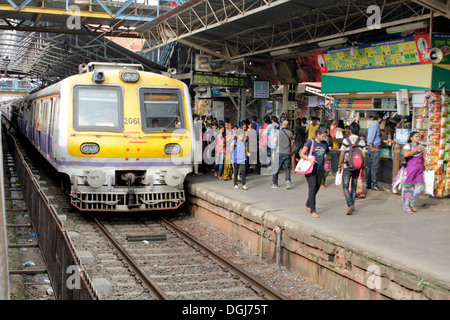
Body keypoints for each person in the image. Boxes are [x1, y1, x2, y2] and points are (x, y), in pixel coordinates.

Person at [299, 127, 330, 218]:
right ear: (318, 134)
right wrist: (309, 159)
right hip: (310, 168)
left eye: (325, 136)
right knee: (312, 187)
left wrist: (325, 163)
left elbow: (328, 153)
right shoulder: (310, 142)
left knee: (316, 187)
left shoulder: (325, 144)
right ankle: (313, 210)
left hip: (320, 168)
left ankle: (308, 204)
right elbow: (301, 153)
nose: (324, 138)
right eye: (323, 136)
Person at [338, 122, 366, 215]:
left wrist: (339, 165)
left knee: (345, 186)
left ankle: (350, 204)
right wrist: (364, 169)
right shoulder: (362, 142)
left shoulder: (346, 141)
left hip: (347, 166)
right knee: (354, 186)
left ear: (350, 131)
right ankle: (352, 204)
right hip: (357, 167)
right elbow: (364, 157)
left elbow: (342, 154)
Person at [401, 131, 425, 214]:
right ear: (411, 138)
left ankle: (411, 201)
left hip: (419, 170)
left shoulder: (421, 146)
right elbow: (406, 155)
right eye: (416, 136)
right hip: (410, 169)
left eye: (419, 136)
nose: (418, 138)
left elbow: (422, 158)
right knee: (408, 189)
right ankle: (406, 206)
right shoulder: (409, 146)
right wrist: (415, 151)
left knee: (420, 189)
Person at [272, 120, 293, 189]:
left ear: (281, 124)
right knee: (287, 168)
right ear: (288, 125)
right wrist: (290, 151)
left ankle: (275, 183)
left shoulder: (278, 132)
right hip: (287, 152)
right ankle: (287, 180)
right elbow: (292, 144)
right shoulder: (290, 133)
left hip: (279, 152)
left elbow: (274, 142)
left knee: (276, 168)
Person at [366, 112, 384, 191]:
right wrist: (372, 147)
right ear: (379, 118)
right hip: (374, 148)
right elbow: (370, 137)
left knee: (370, 166)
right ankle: (374, 184)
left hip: (373, 147)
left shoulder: (373, 125)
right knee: (374, 167)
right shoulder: (375, 125)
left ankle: (369, 183)